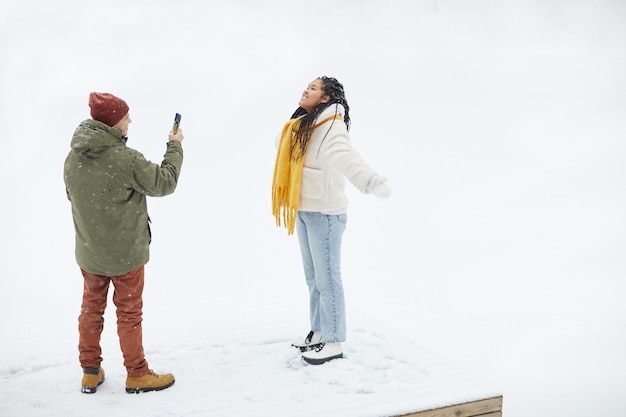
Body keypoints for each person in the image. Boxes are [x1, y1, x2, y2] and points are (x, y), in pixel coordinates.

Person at [64, 92, 184, 393]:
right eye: (125, 116)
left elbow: (74, 197)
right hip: (125, 255)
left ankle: (90, 371)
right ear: (113, 122)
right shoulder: (125, 159)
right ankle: (137, 374)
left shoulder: (73, 157)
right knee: (129, 313)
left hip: (90, 253)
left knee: (91, 309)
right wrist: (175, 146)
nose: (130, 121)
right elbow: (164, 182)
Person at [272, 76, 391, 365]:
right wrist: (297, 122)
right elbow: (281, 146)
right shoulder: (305, 123)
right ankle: (319, 331)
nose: (305, 90)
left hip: (325, 214)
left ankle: (335, 340)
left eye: (313, 88)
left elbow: (345, 156)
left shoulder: (331, 127)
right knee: (313, 278)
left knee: (327, 279)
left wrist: (370, 181)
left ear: (325, 99)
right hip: (303, 209)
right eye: (307, 86)